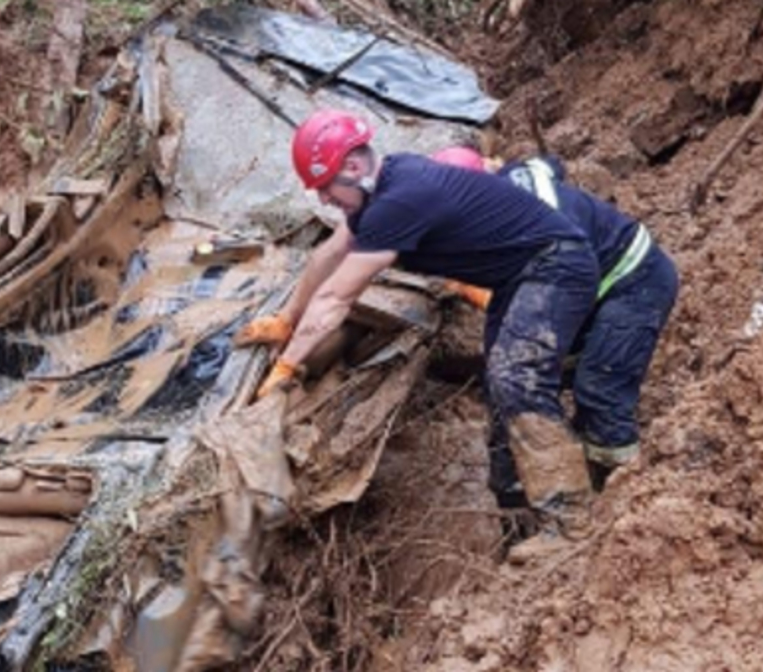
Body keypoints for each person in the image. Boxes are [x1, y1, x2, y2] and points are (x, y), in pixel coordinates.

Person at [234, 109, 600, 561]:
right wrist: (288, 318)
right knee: (499, 384)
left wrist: (288, 365)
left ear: (352, 168)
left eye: (326, 187)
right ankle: (518, 515)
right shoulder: (389, 182)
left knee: (516, 376)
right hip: (521, 275)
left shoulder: (400, 201)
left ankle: (572, 525)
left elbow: (335, 299)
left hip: (554, 266)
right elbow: (328, 254)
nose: (325, 200)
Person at [428, 147, 680, 504]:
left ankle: (620, 499)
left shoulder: (530, 225)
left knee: (599, 387)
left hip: (634, 279)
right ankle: (521, 496)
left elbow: (561, 285)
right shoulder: (507, 192)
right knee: (507, 379)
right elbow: (549, 164)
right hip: (582, 287)